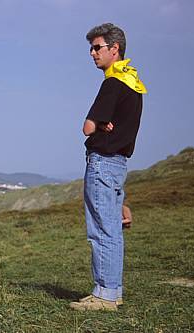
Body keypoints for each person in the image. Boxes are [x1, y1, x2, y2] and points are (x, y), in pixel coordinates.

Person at [69, 23, 146, 312]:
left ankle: (105, 296)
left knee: (102, 231)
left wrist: (98, 124)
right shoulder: (133, 84)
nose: (92, 53)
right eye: (91, 48)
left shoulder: (113, 83)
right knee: (111, 229)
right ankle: (111, 292)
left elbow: (86, 127)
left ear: (115, 49)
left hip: (103, 163)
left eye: (97, 47)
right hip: (118, 164)